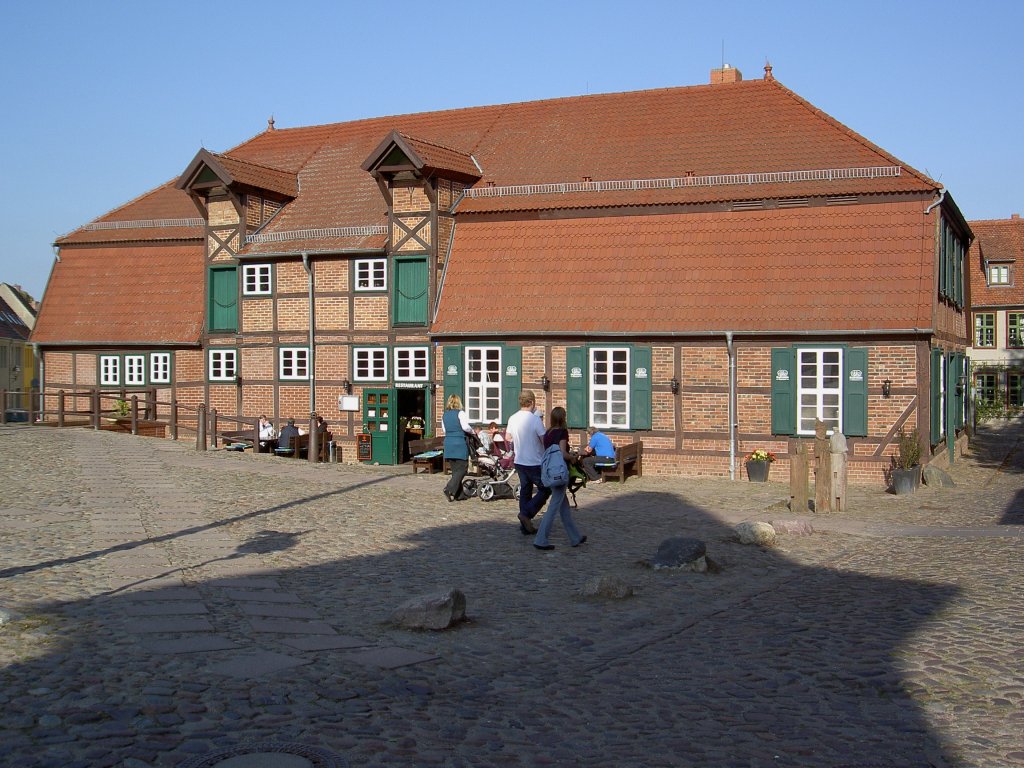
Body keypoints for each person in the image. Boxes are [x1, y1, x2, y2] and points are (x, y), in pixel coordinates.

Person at [533, 406, 586, 551]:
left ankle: (575, 537)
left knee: (564, 508)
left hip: (550, 470)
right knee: (553, 507)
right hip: (559, 472)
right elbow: (562, 453)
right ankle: (541, 538)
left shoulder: (548, 433)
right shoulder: (562, 432)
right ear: (563, 418)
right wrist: (573, 457)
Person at [505, 390, 550, 535]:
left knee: (525, 491)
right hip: (534, 461)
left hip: (520, 460)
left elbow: (508, 437)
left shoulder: (513, 418)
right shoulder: (535, 419)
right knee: (545, 489)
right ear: (532, 402)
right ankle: (527, 514)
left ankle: (524, 525)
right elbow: (545, 441)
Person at [441, 394, 474, 501]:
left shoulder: (444, 415)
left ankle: (459, 495)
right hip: (459, 442)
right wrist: (472, 431)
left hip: (448, 443)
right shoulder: (461, 413)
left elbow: (445, 430)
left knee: (455, 470)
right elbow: (465, 427)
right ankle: (449, 488)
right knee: (463, 469)